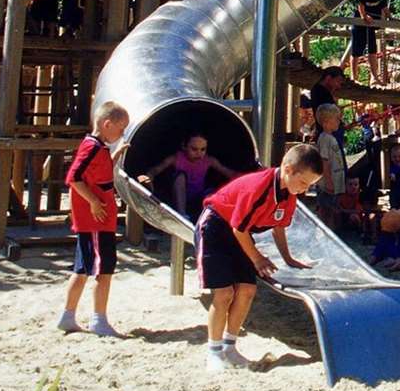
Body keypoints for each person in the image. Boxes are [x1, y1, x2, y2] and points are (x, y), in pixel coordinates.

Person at [195, 144, 323, 372]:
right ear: (288, 169)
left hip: (240, 233)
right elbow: (238, 228)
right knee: (224, 293)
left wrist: (288, 258)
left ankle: (230, 347)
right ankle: (213, 352)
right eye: (303, 183)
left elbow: (278, 227)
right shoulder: (258, 187)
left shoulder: (289, 196)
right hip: (216, 227)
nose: (304, 190)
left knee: (246, 290)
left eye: (310, 186)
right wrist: (256, 258)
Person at [57, 102, 130, 338]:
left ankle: (67, 316)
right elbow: (74, 177)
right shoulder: (92, 148)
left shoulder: (98, 147)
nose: (122, 133)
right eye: (121, 128)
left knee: (82, 268)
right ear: (107, 124)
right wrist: (94, 202)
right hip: (96, 221)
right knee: (103, 270)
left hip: (97, 220)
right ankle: (99, 319)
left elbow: (98, 172)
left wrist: (117, 154)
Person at [138, 133, 240, 218]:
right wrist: (148, 177)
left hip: (198, 198)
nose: (199, 153)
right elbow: (155, 170)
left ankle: (210, 217)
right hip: (177, 197)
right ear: (184, 146)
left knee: (213, 192)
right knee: (180, 176)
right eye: (194, 149)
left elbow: (230, 173)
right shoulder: (176, 158)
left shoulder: (209, 160)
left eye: (203, 149)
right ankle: (181, 213)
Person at [346, 0, 392, 81]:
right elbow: (360, 2)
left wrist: (390, 17)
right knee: (356, 50)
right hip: (361, 22)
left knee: (372, 50)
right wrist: (364, 16)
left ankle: (375, 76)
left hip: (371, 24)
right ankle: (354, 76)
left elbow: (384, 6)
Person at [313, 104, 349, 218]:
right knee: (326, 212)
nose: (339, 121)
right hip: (327, 186)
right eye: (336, 119)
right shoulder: (325, 139)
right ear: (326, 122)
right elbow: (324, 161)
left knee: (333, 211)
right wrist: (328, 181)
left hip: (335, 185)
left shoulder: (331, 138)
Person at [299, 66, 345, 143]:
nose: (338, 86)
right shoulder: (320, 92)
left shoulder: (323, 91)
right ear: (328, 78)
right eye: (338, 81)